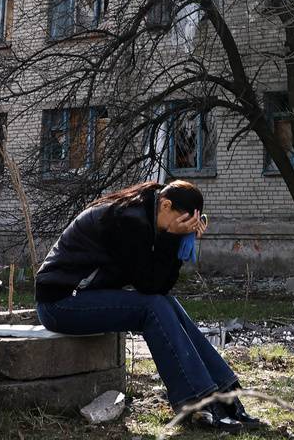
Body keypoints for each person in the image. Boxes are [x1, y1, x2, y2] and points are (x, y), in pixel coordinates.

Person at [35, 179, 265, 433]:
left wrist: (178, 241)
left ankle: (225, 395)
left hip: (85, 297)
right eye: (182, 222)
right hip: (60, 303)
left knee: (166, 303)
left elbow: (160, 287)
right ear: (165, 204)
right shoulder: (128, 220)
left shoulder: (148, 213)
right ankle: (198, 402)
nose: (184, 229)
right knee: (152, 307)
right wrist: (173, 240)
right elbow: (149, 285)